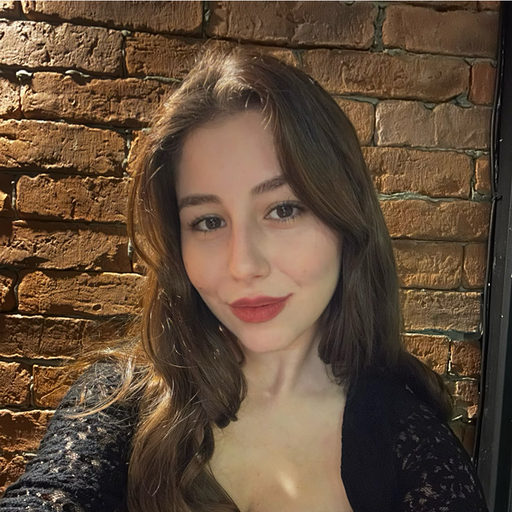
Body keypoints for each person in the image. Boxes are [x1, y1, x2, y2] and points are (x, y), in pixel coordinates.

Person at [0, 46, 489, 512]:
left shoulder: (415, 446)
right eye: (208, 221)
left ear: (346, 219)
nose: (243, 265)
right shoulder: (118, 401)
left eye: (283, 209)